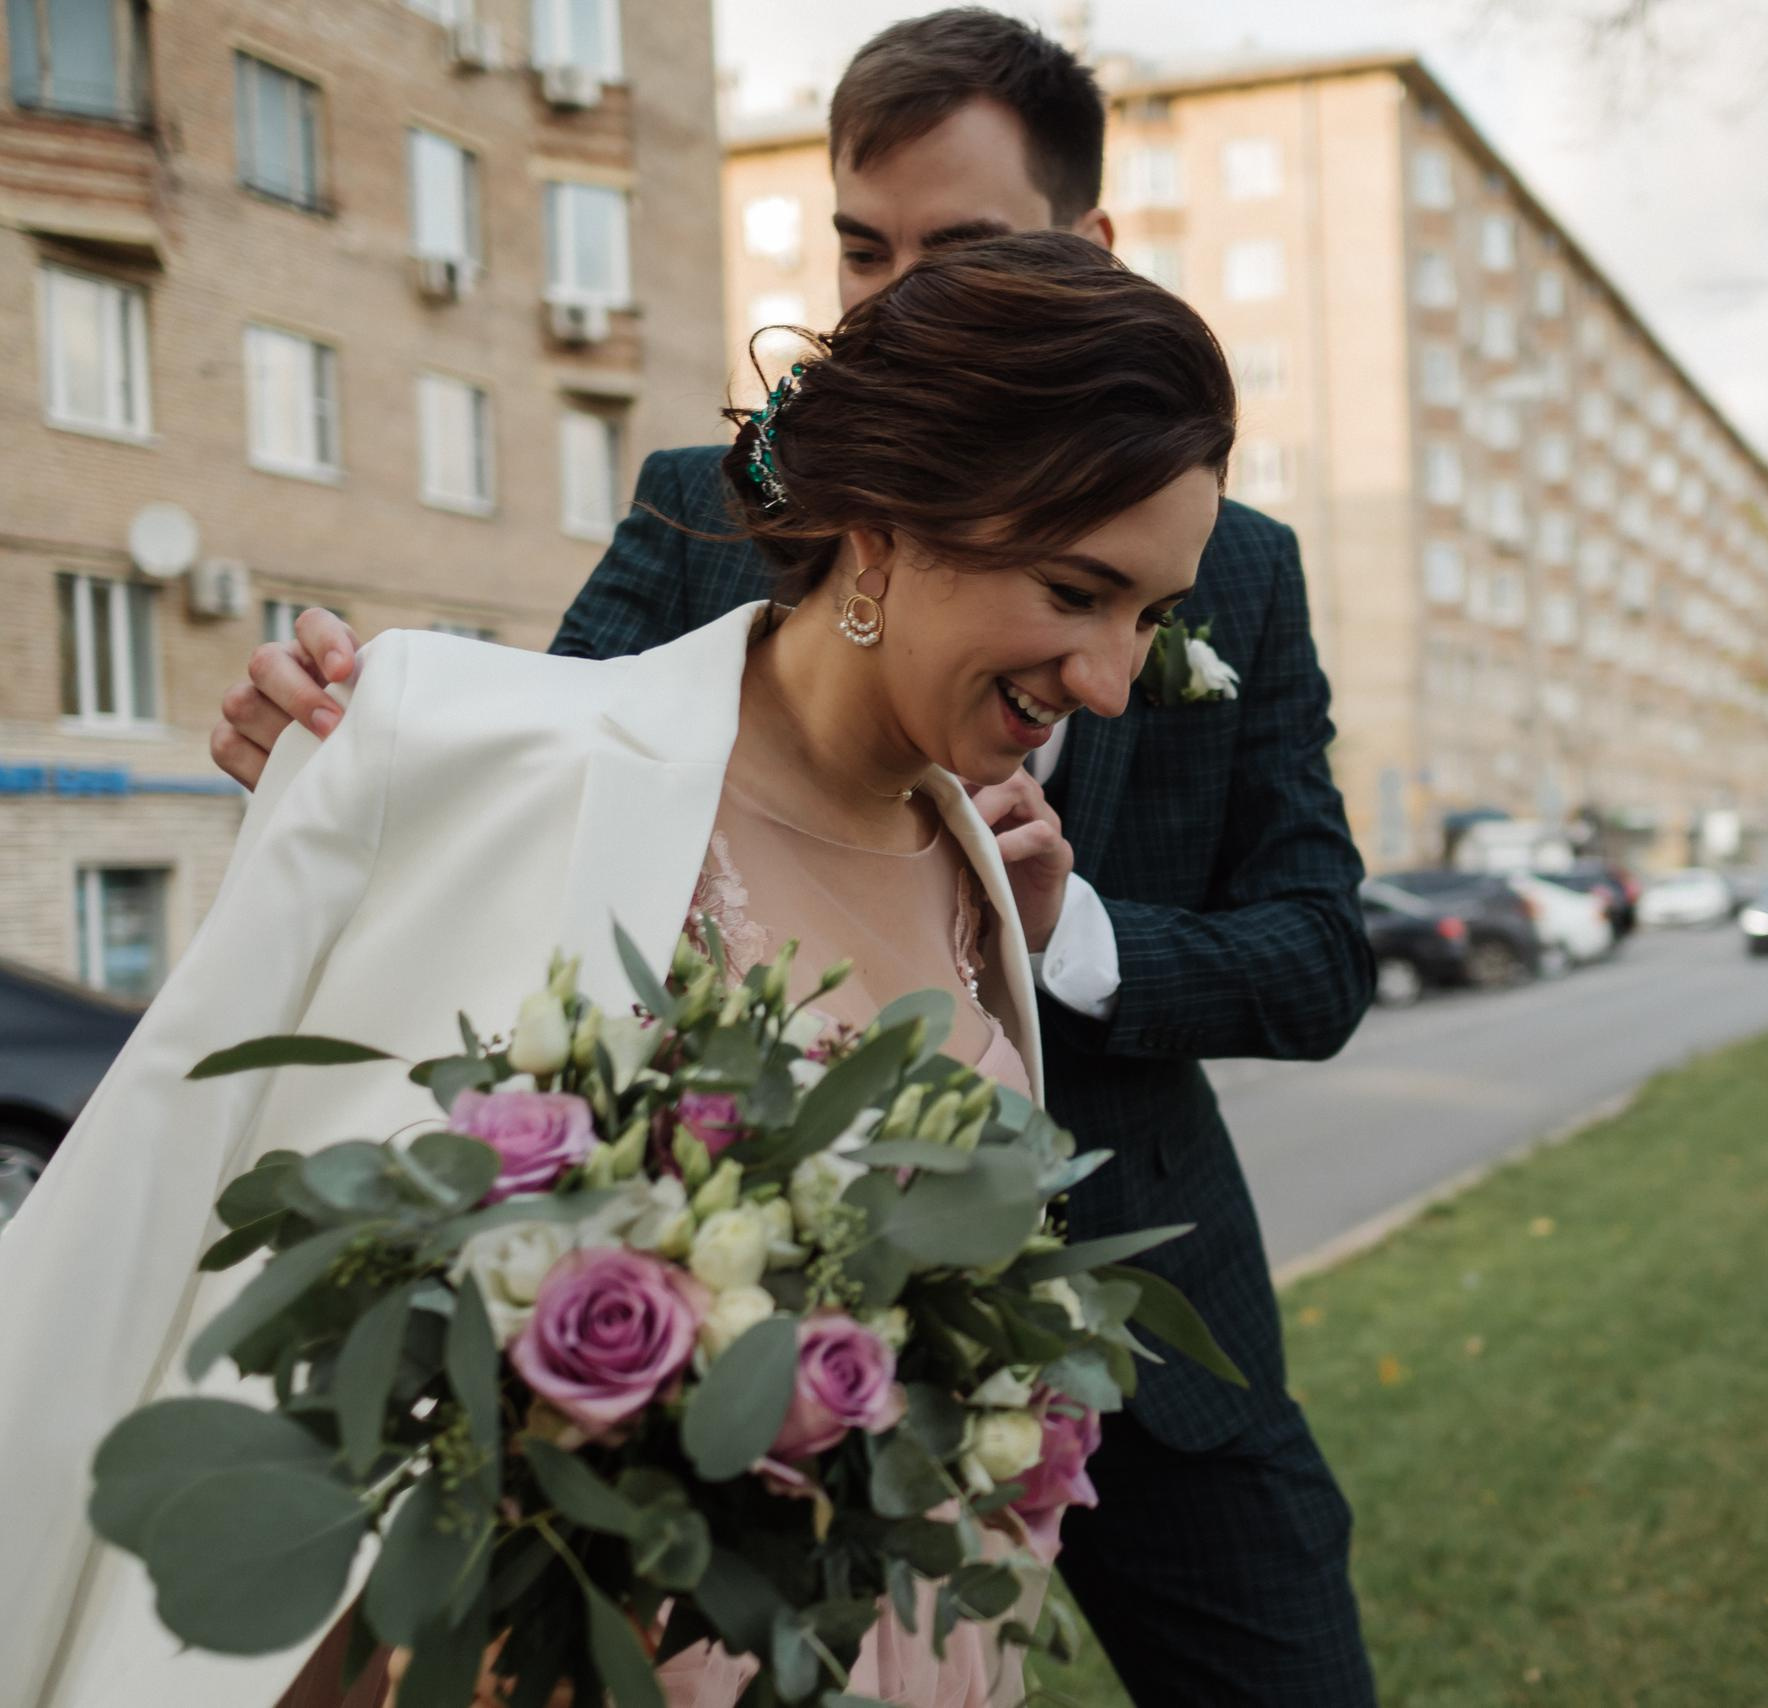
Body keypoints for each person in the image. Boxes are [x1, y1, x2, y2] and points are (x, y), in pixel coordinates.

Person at [207, 13, 1378, 1706]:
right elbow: (532, 752)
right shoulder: (714, 500)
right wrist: (349, 744)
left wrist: (1067, 939)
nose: (896, 304)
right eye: (861, 249)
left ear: (1087, 252)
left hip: (1140, 1315)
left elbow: (1323, 952)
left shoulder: (1229, 562)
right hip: (736, 1368)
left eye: (960, 253)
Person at [0, 234, 1231, 1708]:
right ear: (888, 523)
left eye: (1150, 618)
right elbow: (167, 1203)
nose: (1107, 678)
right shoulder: (492, 752)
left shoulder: (985, 865)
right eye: (1075, 590)